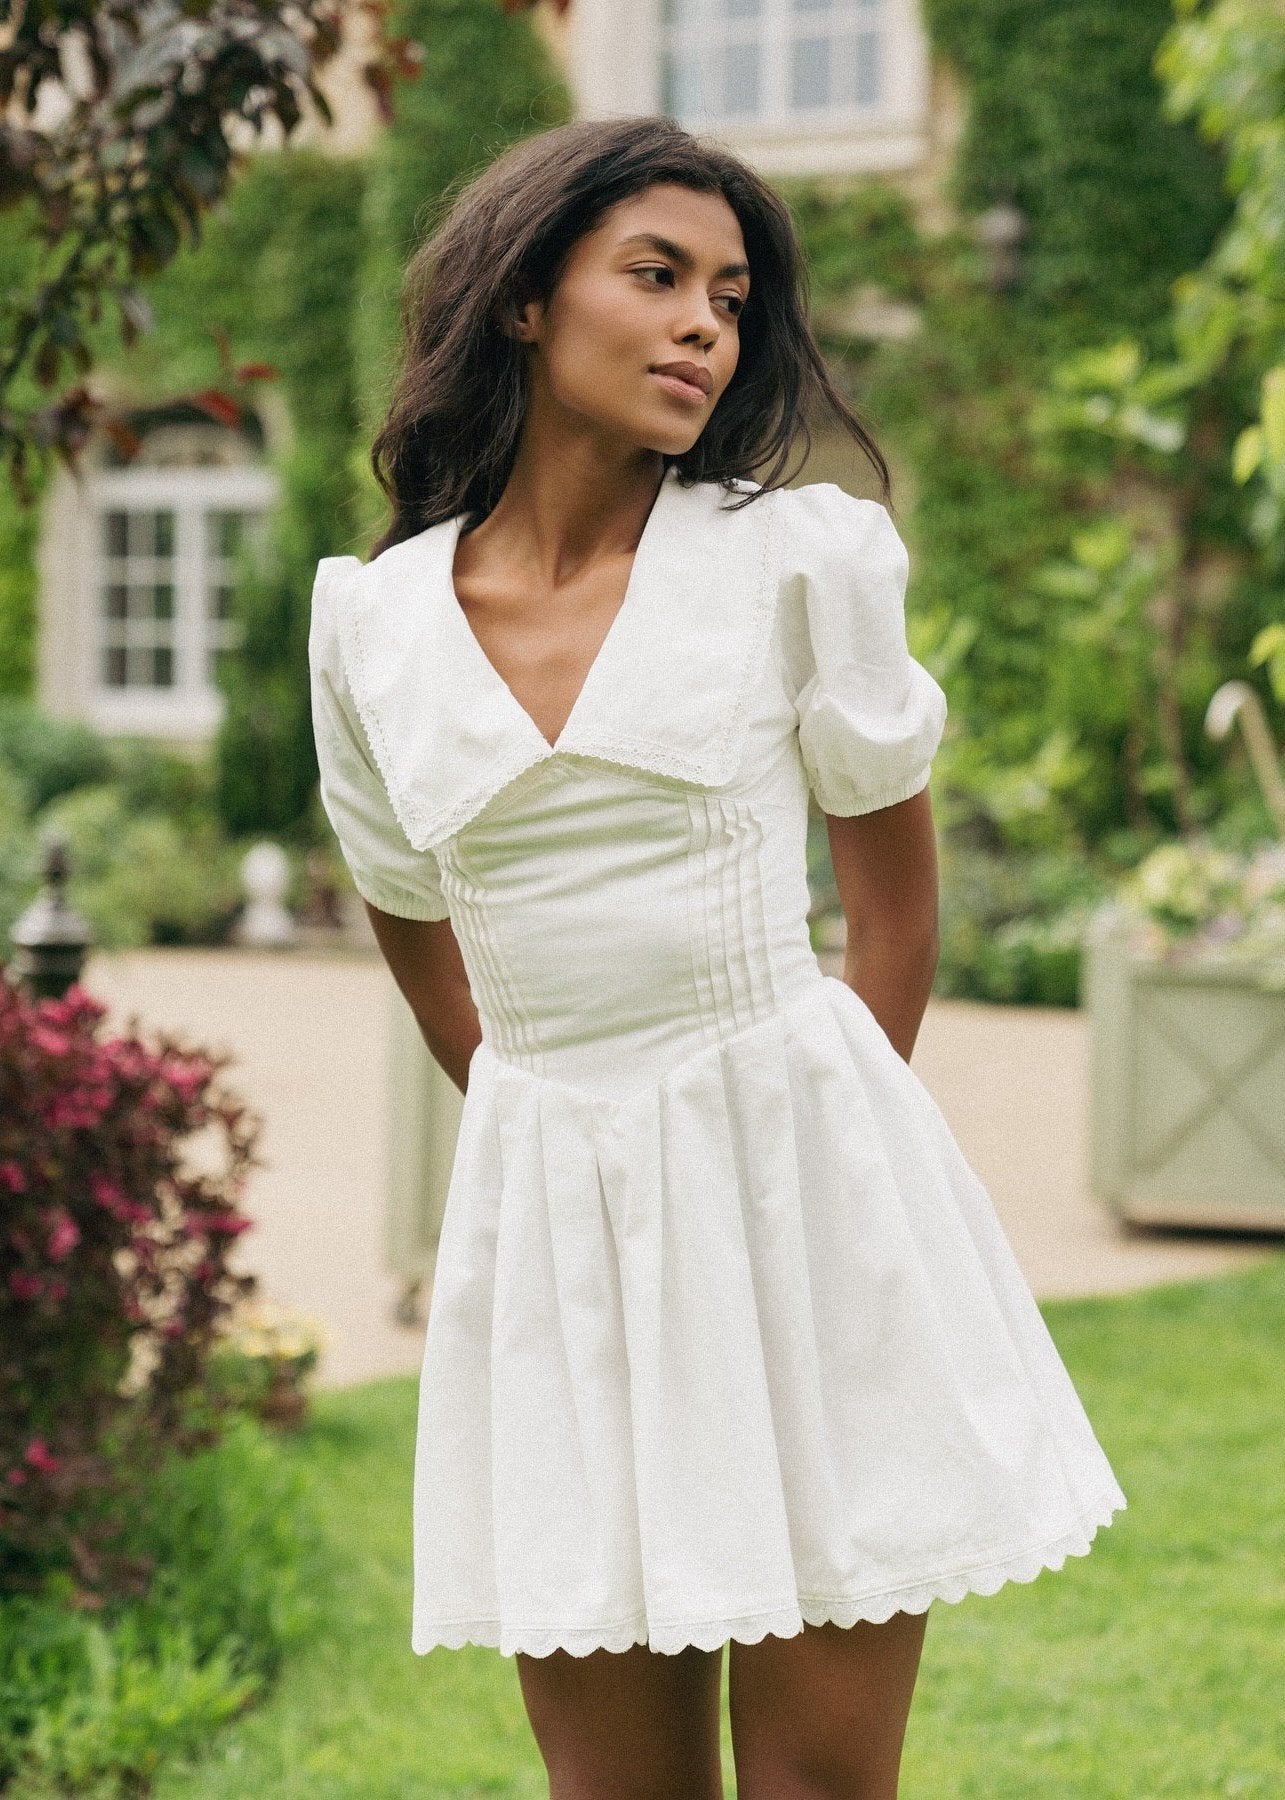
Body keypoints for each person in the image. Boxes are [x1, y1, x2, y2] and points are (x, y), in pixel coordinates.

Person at [307, 115, 1126, 1800]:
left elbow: (892, 914)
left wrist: (808, 1155)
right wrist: (555, 1120)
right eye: (656, 277)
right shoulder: (371, 624)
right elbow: (411, 912)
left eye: (731, 298)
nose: (704, 326)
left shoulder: (794, 560)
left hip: (801, 1205)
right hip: (555, 1231)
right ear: (528, 300)